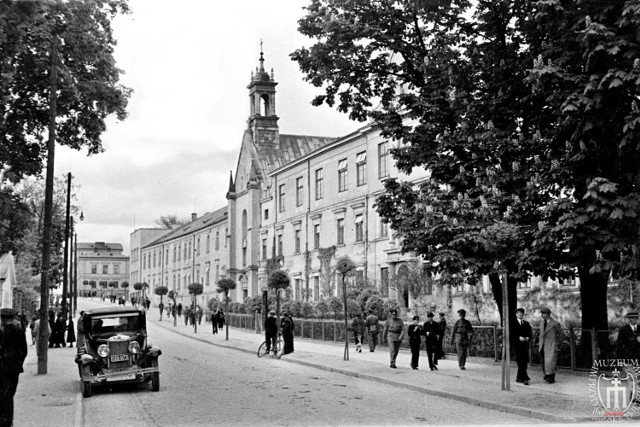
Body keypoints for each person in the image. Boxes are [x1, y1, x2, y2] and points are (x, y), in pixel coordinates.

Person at [0, 308, 28, 427]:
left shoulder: (1, 332)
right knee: (9, 394)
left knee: (3, 394)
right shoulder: (19, 331)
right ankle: (8, 420)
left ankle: (3, 419)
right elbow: (24, 351)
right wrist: (18, 364)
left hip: (2, 365)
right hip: (13, 366)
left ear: (2, 319)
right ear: (12, 318)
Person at [616, 310, 640, 402]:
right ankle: (635, 397)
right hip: (628, 358)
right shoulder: (624, 330)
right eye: (630, 318)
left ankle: (635, 394)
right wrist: (620, 360)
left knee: (638, 377)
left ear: (637, 319)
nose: (631, 320)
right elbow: (619, 345)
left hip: (639, 358)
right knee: (632, 377)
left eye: (633, 318)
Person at [538, 307, 562, 383]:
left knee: (550, 361)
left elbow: (561, 334)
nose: (542, 315)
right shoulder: (542, 322)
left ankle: (551, 377)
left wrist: (557, 343)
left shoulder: (555, 323)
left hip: (551, 344)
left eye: (543, 313)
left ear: (548, 314)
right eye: (541, 313)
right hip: (542, 345)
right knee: (544, 360)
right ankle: (546, 375)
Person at [514, 308, 532, 385]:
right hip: (517, 346)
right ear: (515, 314)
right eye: (518, 313)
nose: (519, 314)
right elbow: (511, 335)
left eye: (521, 313)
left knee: (524, 361)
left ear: (523, 314)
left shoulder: (526, 324)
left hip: (525, 345)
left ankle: (519, 377)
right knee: (520, 361)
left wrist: (528, 337)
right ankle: (525, 378)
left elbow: (530, 334)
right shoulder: (513, 324)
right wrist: (518, 338)